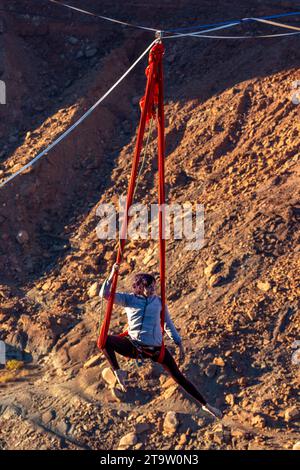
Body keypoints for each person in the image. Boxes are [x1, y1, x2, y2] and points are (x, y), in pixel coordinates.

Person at [100, 263, 222, 419]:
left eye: (154, 287)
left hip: (156, 349)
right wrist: (112, 274)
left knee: (178, 376)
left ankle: (206, 405)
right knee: (103, 340)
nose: (152, 291)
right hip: (135, 346)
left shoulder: (158, 302)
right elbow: (104, 293)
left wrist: (178, 342)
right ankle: (118, 372)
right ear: (139, 287)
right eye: (149, 288)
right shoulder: (128, 299)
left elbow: (167, 323)